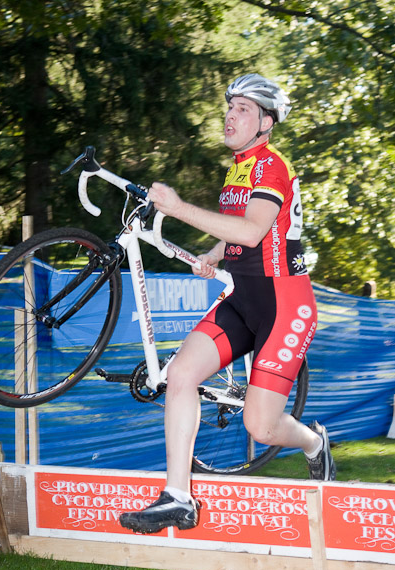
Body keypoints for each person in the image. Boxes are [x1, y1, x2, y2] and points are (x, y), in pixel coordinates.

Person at [120, 73, 336, 535]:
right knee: (180, 375)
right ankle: (178, 498)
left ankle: (314, 443)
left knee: (261, 427)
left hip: (286, 306)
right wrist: (215, 254)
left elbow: (253, 231)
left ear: (266, 122)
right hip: (243, 299)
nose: (230, 115)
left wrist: (179, 208)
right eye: (230, 107)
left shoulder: (271, 166)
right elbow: (242, 229)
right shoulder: (239, 168)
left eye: (243, 109)